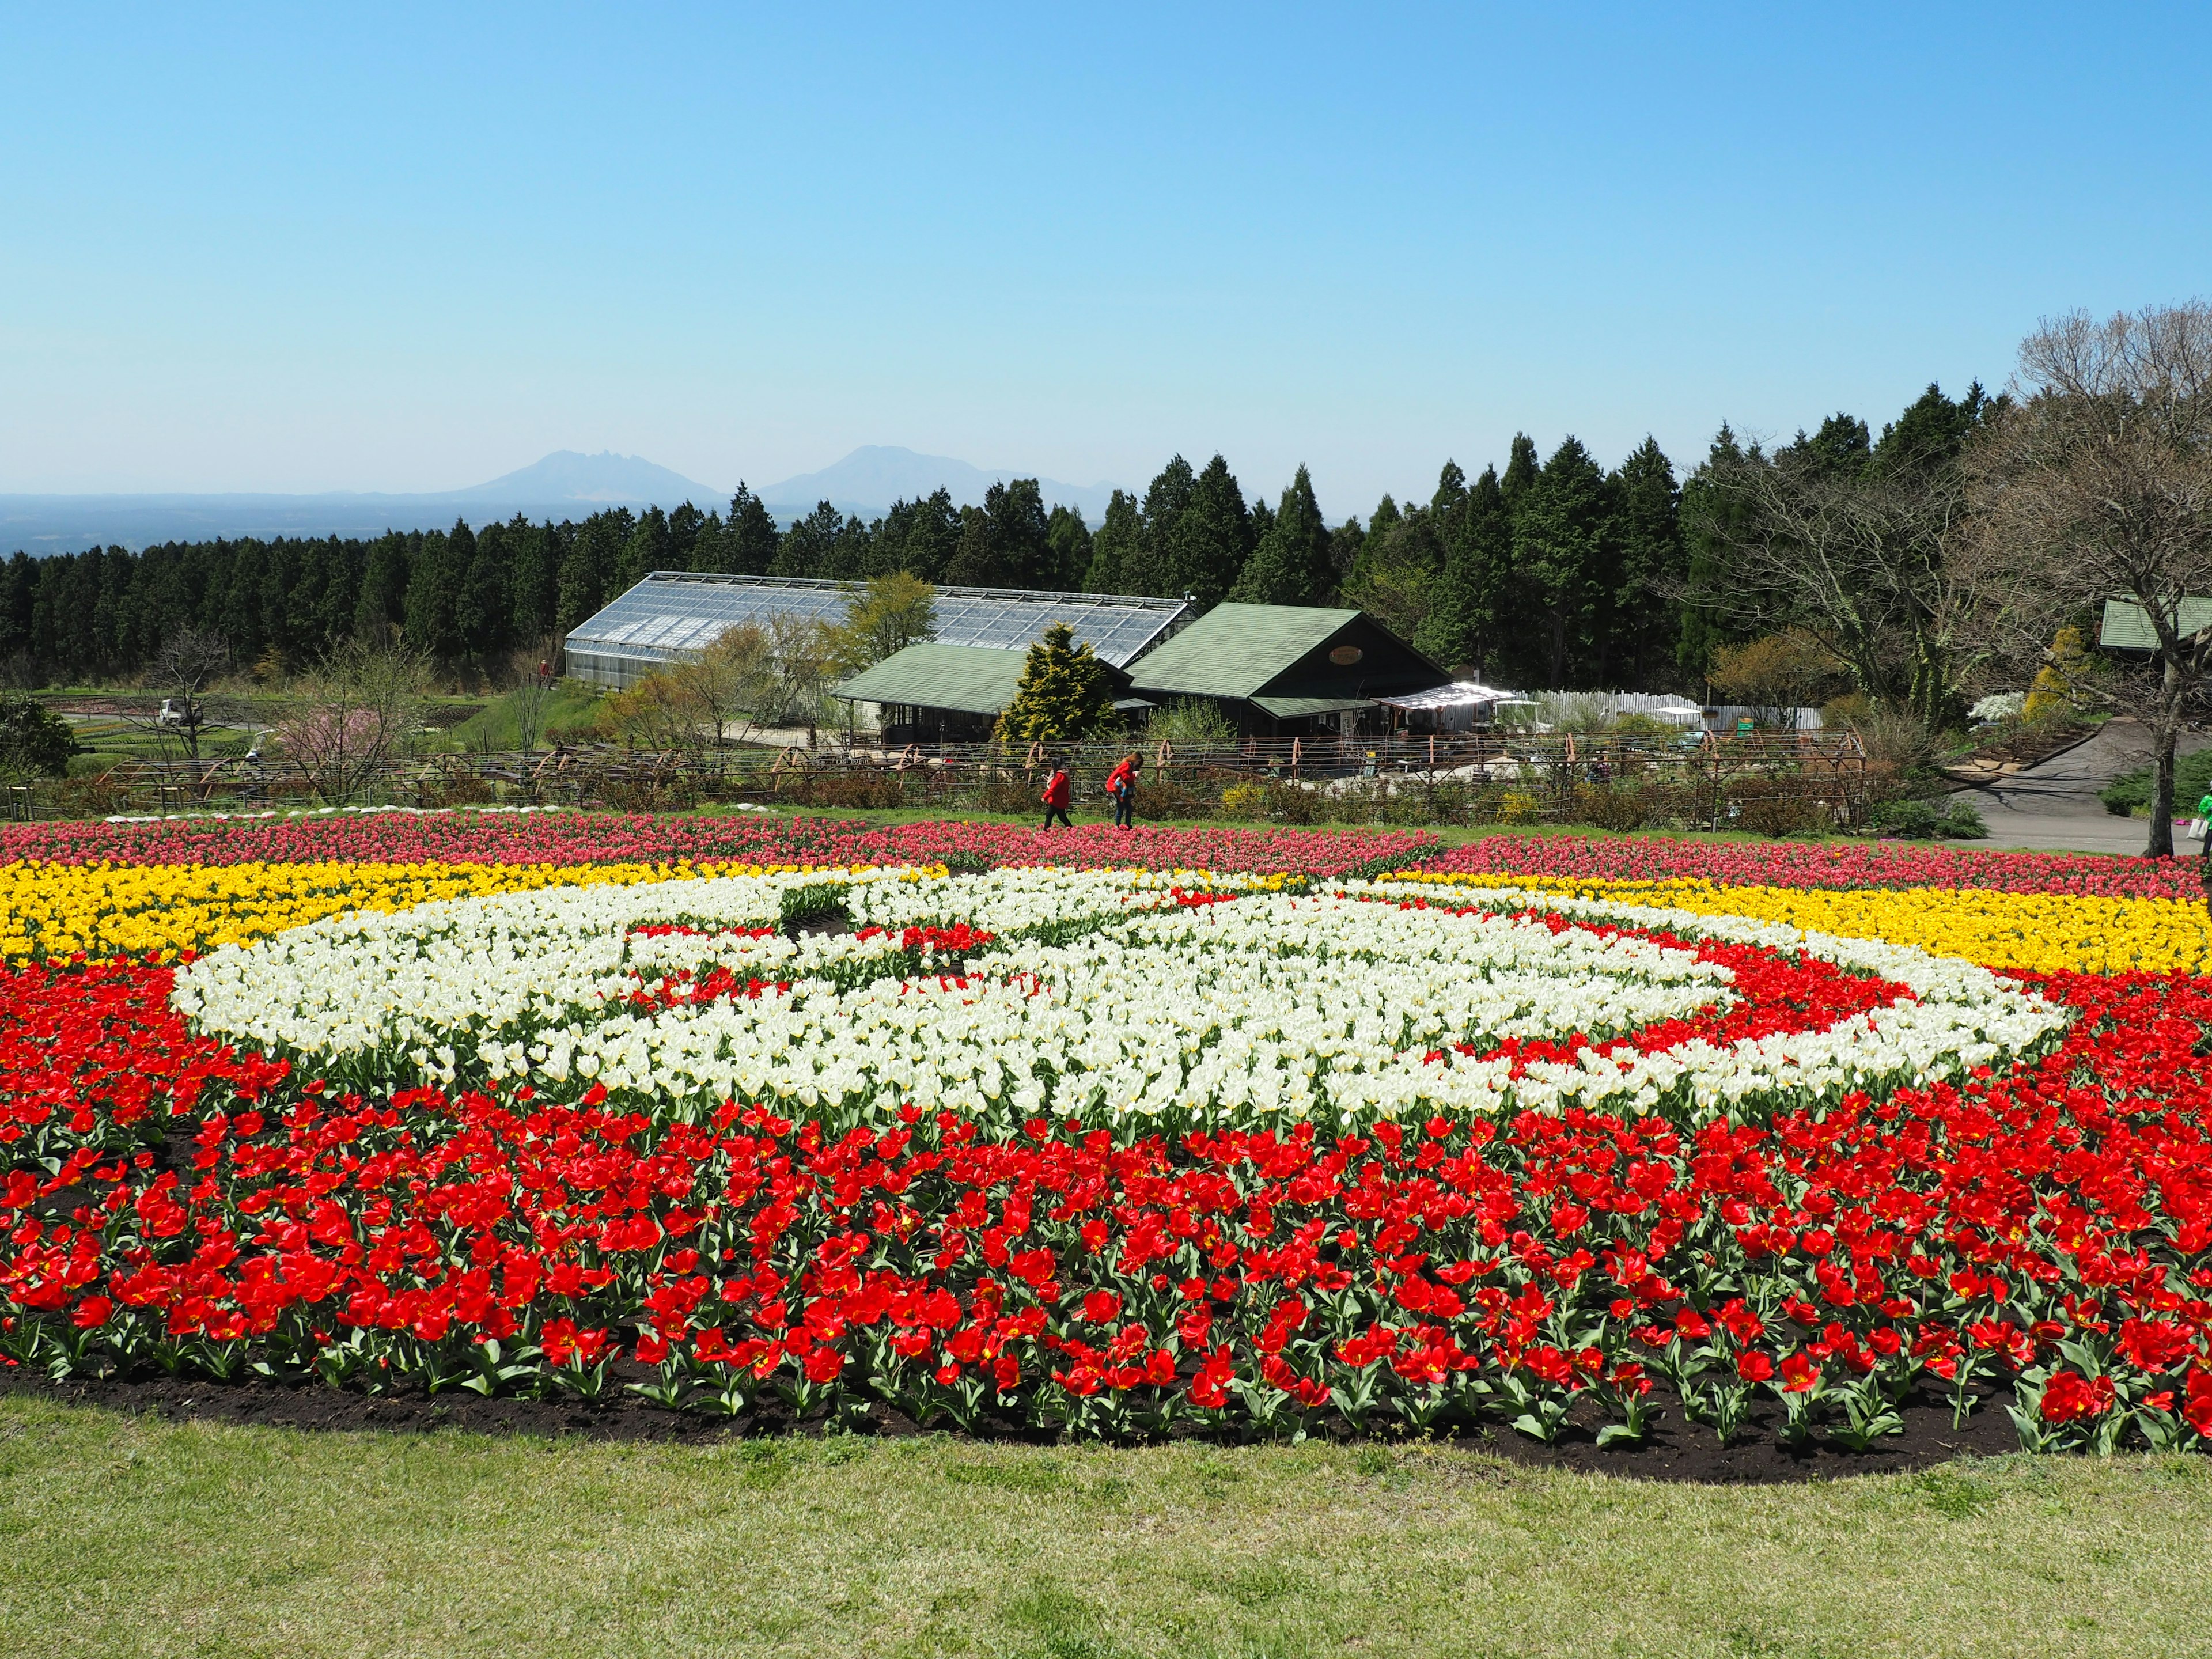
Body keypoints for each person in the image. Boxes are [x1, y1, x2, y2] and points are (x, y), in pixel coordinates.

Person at [1105, 752, 1137, 829]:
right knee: (1122, 807)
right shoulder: (1127, 766)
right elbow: (1125, 777)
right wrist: (1134, 776)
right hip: (1119, 789)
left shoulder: (1129, 766)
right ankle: (1119, 825)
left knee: (1127, 807)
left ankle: (1125, 825)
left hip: (1121, 789)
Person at [1040, 763, 1073, 830]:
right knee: (1062, 817)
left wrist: (1045, 796)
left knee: (1049, 815)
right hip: (1060, 799)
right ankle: (1071, 829)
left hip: (1057, 800)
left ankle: (1045, 831)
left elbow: (1054, 788)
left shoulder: (1060, 776)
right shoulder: (1064, 774)